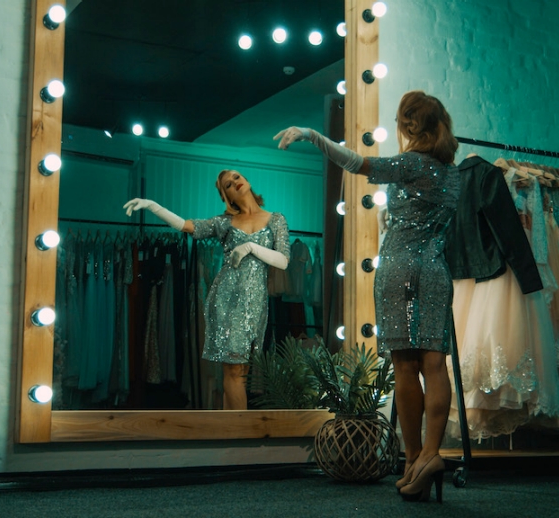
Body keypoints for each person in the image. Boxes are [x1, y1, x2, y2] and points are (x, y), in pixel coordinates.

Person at [275, 90, 460, 503]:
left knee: (405, 366)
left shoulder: (412, 163)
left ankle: (414, 458)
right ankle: (430, 456)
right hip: (435, 272)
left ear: (407, 125)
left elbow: (357, 163)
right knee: (435, 364)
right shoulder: (453, 174)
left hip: (399, 272)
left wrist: (312, 135)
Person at [123, 170, 290, 410]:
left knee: (240, 372)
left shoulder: (276, 219)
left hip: (255, 303)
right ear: (227, 196)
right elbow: (185, 225)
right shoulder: (224, 223)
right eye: (228, 185)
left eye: (236, 177)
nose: (235, 182)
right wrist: (152, 206)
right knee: (233, 370)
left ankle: (227, 430)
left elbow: (283, 260)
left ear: (247, 181)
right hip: (227, 299)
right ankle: (239, 434)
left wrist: (251, 247)